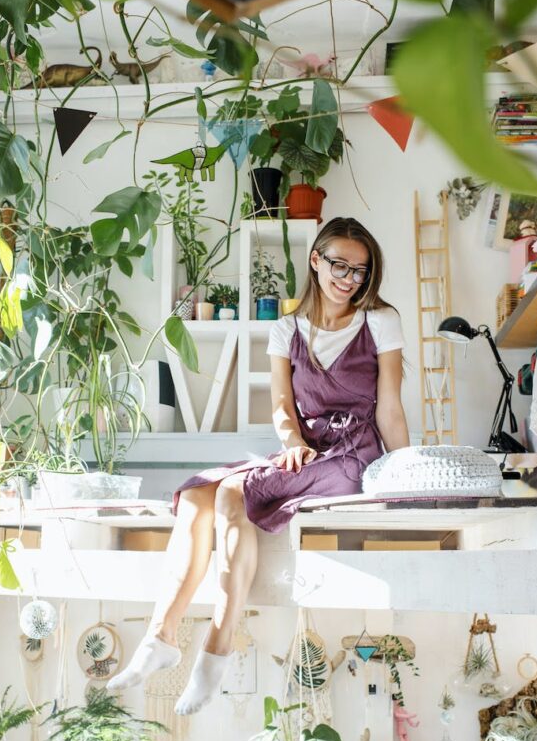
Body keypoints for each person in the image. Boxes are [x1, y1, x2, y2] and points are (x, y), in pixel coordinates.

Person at [107, 217, 409, 713]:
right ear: (316, 260)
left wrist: (403, 479)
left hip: (355, 453)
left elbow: (390, 408)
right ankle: (163, 636)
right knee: (199, 493)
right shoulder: (285, 329)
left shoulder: (380, 320)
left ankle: (213, 650)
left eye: (359, 269)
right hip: (306, 450)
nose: (348, 278)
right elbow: (282, 407)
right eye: (338, 264)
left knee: (231, 492)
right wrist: (290, 440)